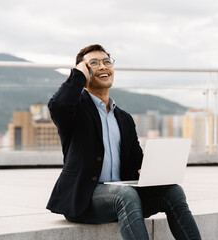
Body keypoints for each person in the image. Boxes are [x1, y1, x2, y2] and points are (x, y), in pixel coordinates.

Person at [46, 44, 202, 240]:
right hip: (85, 198)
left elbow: (135, 159)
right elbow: (58, 105)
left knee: (174, 192)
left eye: (106, 62)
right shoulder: (74, 111)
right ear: (84, 72)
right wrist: (77, 76)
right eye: (93, 63)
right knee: (125, 195)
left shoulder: (124, 118)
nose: (103, 66)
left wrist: (148, 171)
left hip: (123, 194)